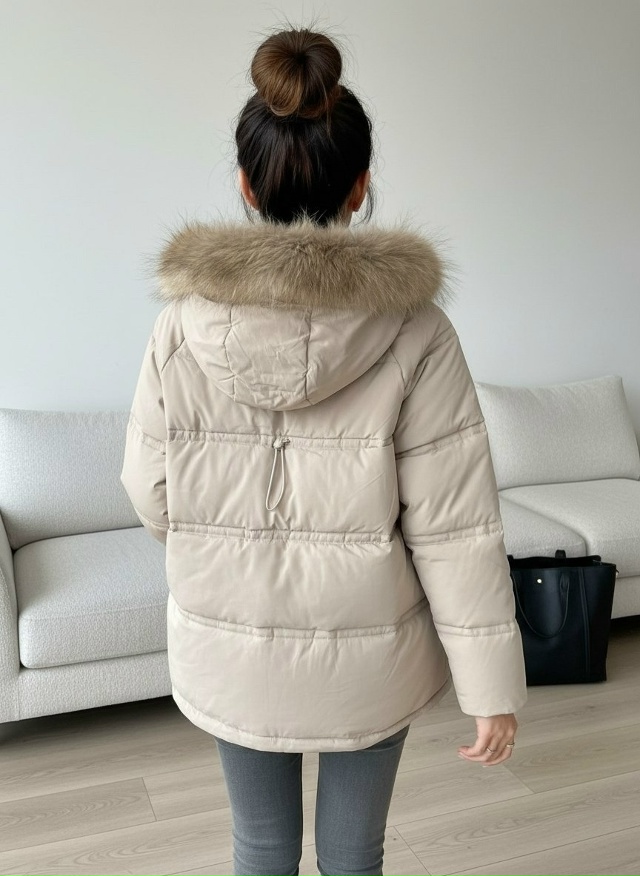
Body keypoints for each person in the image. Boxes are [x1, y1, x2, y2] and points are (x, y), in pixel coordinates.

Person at [120, 24, 527, 876]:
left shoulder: (179, 326)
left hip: (230, 647)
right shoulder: (417, 330)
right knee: (353, 855)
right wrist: (490, 687)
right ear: (361, 185)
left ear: (245, 185)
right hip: (370, 654)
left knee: (260, 848)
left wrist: (224, 546)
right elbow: (454, 528)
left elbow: (150, 490)